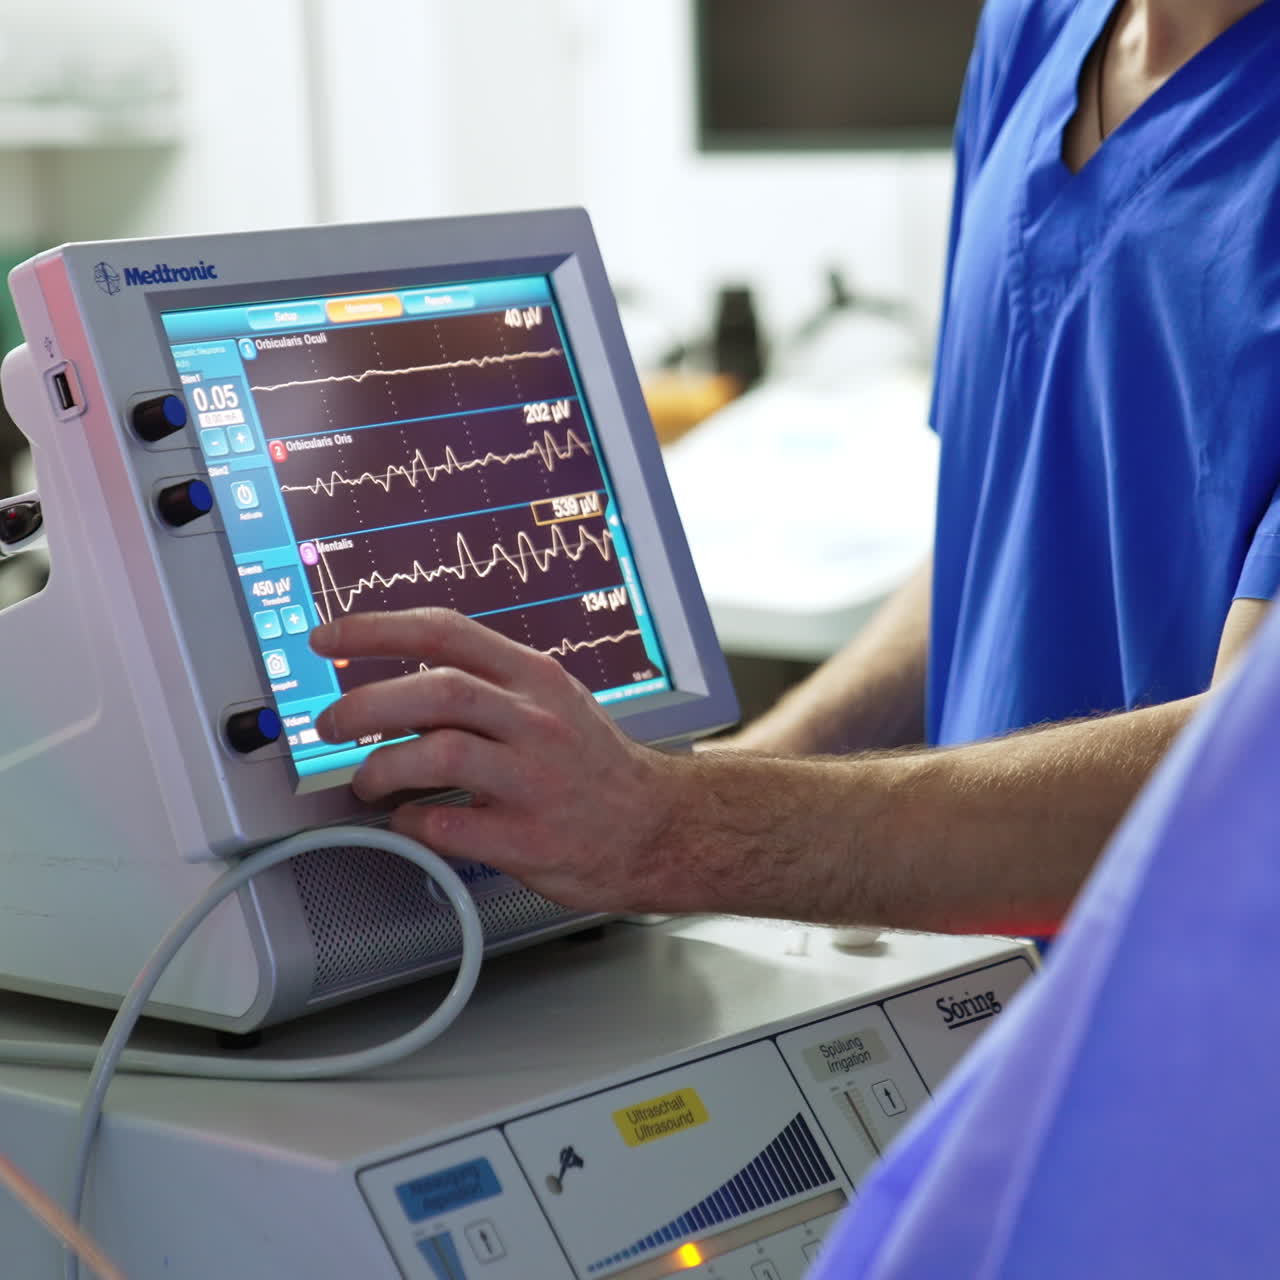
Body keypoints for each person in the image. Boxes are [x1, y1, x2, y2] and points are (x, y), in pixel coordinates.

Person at [308, 0, 1280, 938]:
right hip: (984, 991)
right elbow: (996, 544)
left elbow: (1248, 769)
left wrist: (677, 824)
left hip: (1197, 1036)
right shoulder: (1032, 30)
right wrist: (731, 768)